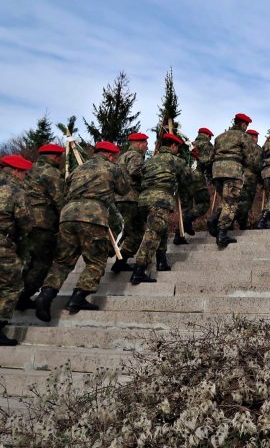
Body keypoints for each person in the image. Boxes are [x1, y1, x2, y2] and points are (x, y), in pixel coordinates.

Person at [33, 141, 129, 322]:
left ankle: (45, 296)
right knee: (96, 260)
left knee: (62, 262)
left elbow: (65, 191)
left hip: (68, 215)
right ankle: (78, 298)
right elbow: (124, 190)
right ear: (110, 155)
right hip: (93, 216)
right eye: (114, 156)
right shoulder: (111, 167)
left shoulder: (78, 169)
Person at [130, 134, 191, 284]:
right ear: (174, 146)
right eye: (177, 148)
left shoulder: (150, 160)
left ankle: (161, 261)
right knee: (153, 233)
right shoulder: (175, 160)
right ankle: (139, 270)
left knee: (161, 230)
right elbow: (188, 177)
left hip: (144, 200)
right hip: (160, 200)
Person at [18, 144, 66, 311]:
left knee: (31, 261)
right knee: (42, 264)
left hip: (23, 221)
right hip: (43, 223)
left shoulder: (27, 171)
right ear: (55, 157)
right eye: (59, 157)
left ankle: (21, 297)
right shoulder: (51, 173)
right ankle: (22, 295)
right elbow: (60, 200)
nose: (60, 161)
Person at [0, 155, 33, 346]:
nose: (25, 177)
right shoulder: (15, 191)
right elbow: (25, 223)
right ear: (16, 171)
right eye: (24, 173)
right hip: (3, 246)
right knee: (11, 286)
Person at [209, 113, 252, 247]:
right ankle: (222, 234)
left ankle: (214, 218)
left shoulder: (220, 137)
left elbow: (212, 155)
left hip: (217, 171)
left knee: (225, 200)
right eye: (246, 125)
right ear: (243, 124)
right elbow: (249, 157)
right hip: (232, 171)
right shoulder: (243, 136)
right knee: (231, 203)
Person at [111, 132, 149, 273]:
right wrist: (150, 174)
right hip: (131, 198)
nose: (147, 146)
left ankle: (119, 260)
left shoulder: (121, 157)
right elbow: (135, 171)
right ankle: (121, 260)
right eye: (145, 143)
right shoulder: (136, 155)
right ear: (139, 143)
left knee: (125, 231)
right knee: (137, 232)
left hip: (119, 198)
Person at [235, 129, 262, 230]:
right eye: (256, 137)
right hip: (249, 179)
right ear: (253, 137)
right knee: (245, 203)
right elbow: (257, 165)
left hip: (235, 175)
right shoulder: (256, 148)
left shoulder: (239, 144)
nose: (257, 139)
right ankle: (240, 224)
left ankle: (238, 225)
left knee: (234, 201)